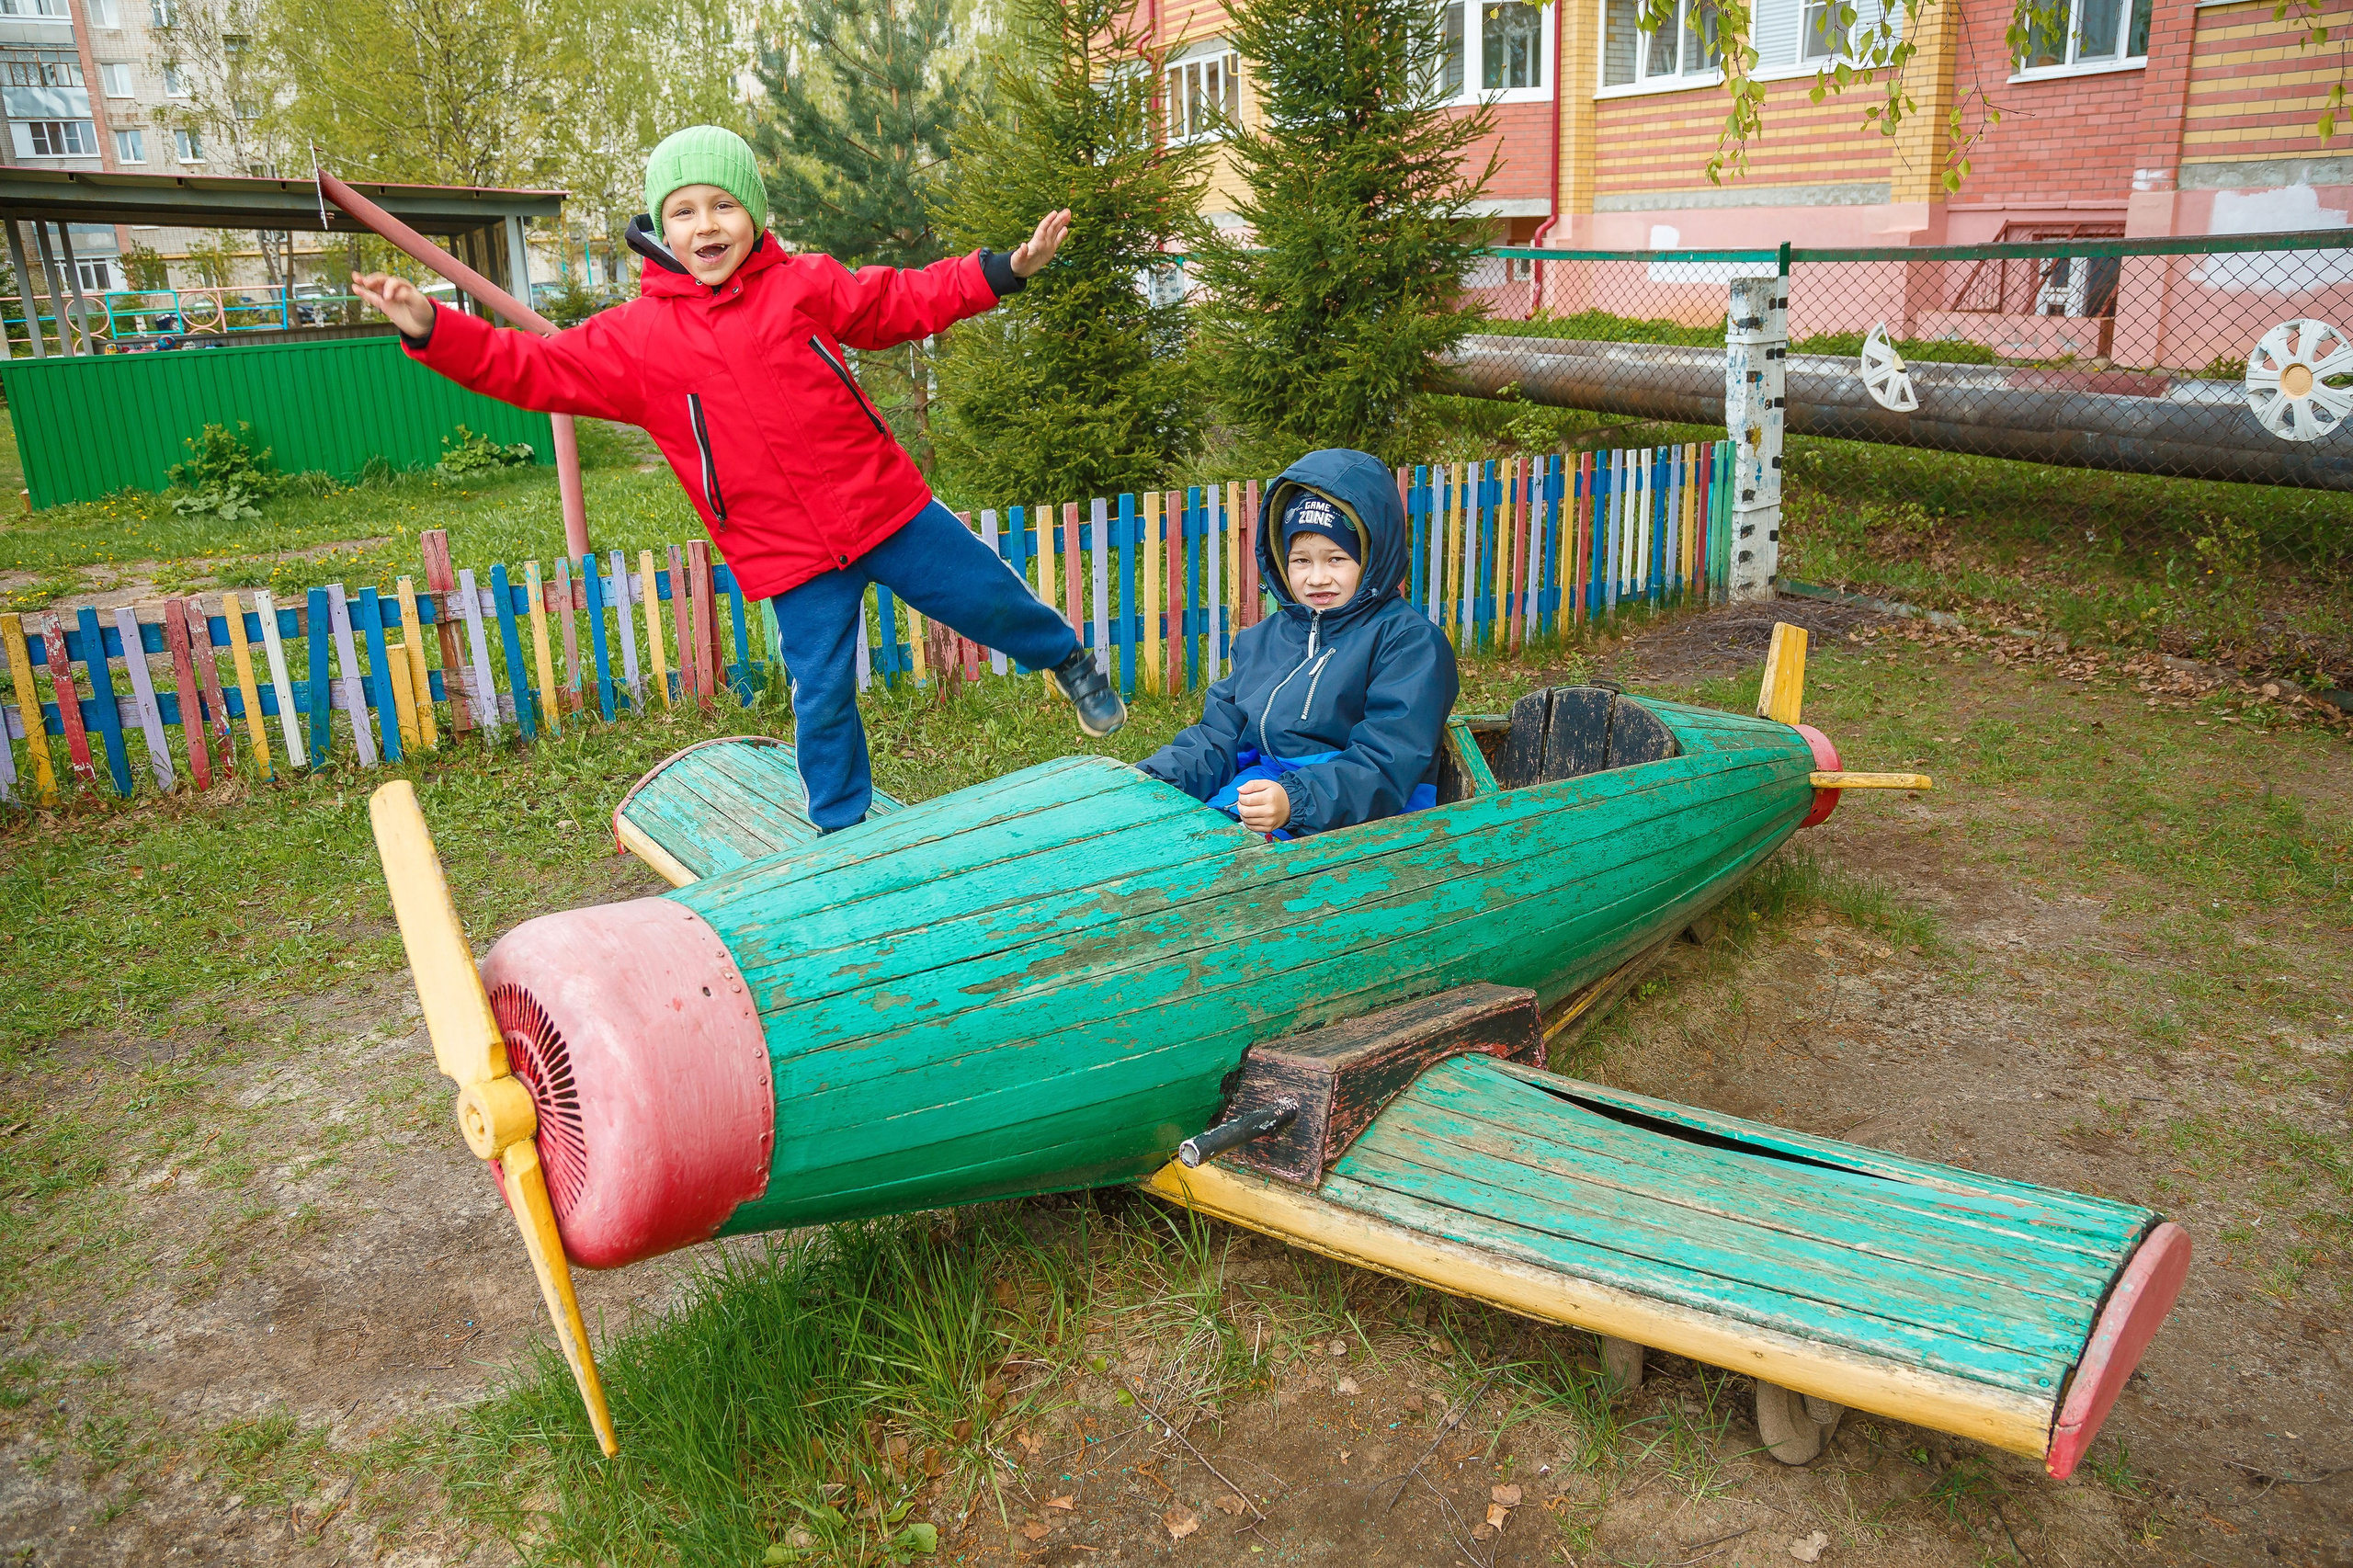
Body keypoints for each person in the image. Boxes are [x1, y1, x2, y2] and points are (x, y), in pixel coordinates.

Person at [350, 124, 1123, 834]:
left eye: (723, 205)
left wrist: (1004, 270)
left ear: (753, 215)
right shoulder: (637, 339)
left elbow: (900, 300)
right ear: (659, 229)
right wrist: (433, 327)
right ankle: (841, 830)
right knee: (821, 696)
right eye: (683, 211)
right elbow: (533, 368)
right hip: (786, 550)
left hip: (883, 505)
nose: (706, 225)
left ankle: (1066, 661)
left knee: (988, 596)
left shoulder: (803, 284)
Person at [1139, 449, 1457, 837]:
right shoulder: (1262, 640)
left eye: (1337, 558)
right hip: (1266, 795)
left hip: (1365, 818)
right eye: (1301, 560)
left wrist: (1294, 801)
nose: (1317, 577)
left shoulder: (1409, 645)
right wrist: (1153, 781)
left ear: (1373, 558)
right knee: (1168, 840)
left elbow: (1386, 763)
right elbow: (1218, 736)